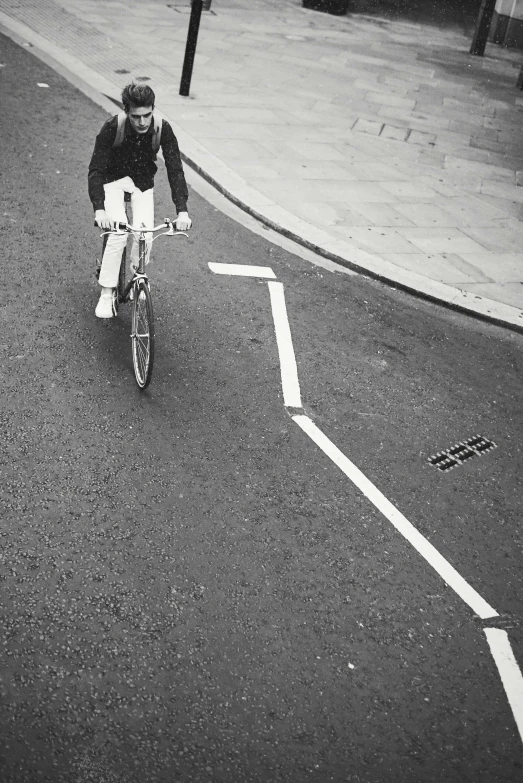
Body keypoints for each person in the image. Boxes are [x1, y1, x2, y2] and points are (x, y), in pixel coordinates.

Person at [88, 82, 192, 318]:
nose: (143, 122)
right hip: (113, 181)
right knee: (119, 233)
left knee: (144, 234)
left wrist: (182, 211)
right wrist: (99, 210)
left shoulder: (162, 128)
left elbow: (175, 169)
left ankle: (137, 277)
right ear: (127, 111)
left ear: (153, 110)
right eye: (137, 117)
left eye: (147, 115)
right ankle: (107, 292)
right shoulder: (113, 127)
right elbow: (96, 169)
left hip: (142, 183)